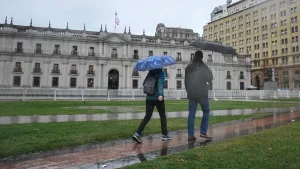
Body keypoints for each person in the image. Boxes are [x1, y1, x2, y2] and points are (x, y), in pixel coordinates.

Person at [132, 68, 171, 143]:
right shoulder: (161, 73)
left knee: (147, 116)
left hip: (149, 98)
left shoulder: (149, 73)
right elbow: (160, 84)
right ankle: (165, 135)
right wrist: (160, 94)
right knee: (162, 116)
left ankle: (137, 134)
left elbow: (144, 84)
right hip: (158, 98)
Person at [185, 50, 213, 141]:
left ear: (194, 56)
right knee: (206, 111)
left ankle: (190, 135)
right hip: (202, 93)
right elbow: (210, 78)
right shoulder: (203, 66)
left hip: (192, 94)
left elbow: (186, 82)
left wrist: (188, 91)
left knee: (191, 114)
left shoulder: (188, 67)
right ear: (201, 57)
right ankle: (203, 132)